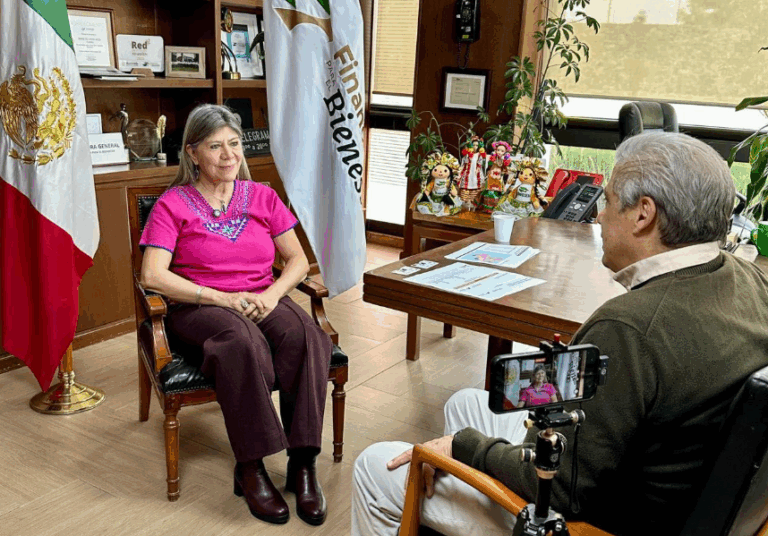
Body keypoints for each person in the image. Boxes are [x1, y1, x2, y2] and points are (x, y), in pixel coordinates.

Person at [351, 132, 768, 536]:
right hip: (670, 489)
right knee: (466, 403)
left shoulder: (629, 328)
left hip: (593, 520)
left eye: (606, 201)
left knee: (376, 467)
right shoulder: (752, 279)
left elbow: (559, 487)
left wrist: (463, 448)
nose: (598, 214)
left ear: (644, 213)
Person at [139, 104, 331, 526]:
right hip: (199, 306)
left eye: (234, 144)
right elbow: (151, 275)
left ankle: (302, 463)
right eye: (215, 146)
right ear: (192, 153)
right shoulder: (172, 205)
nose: (229, 155)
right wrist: (219, 298)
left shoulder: (262, 195)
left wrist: (273, 292)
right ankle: (251, 467)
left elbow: (298, 260)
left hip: (262, 296)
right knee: (240, 343)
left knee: (309, 337)